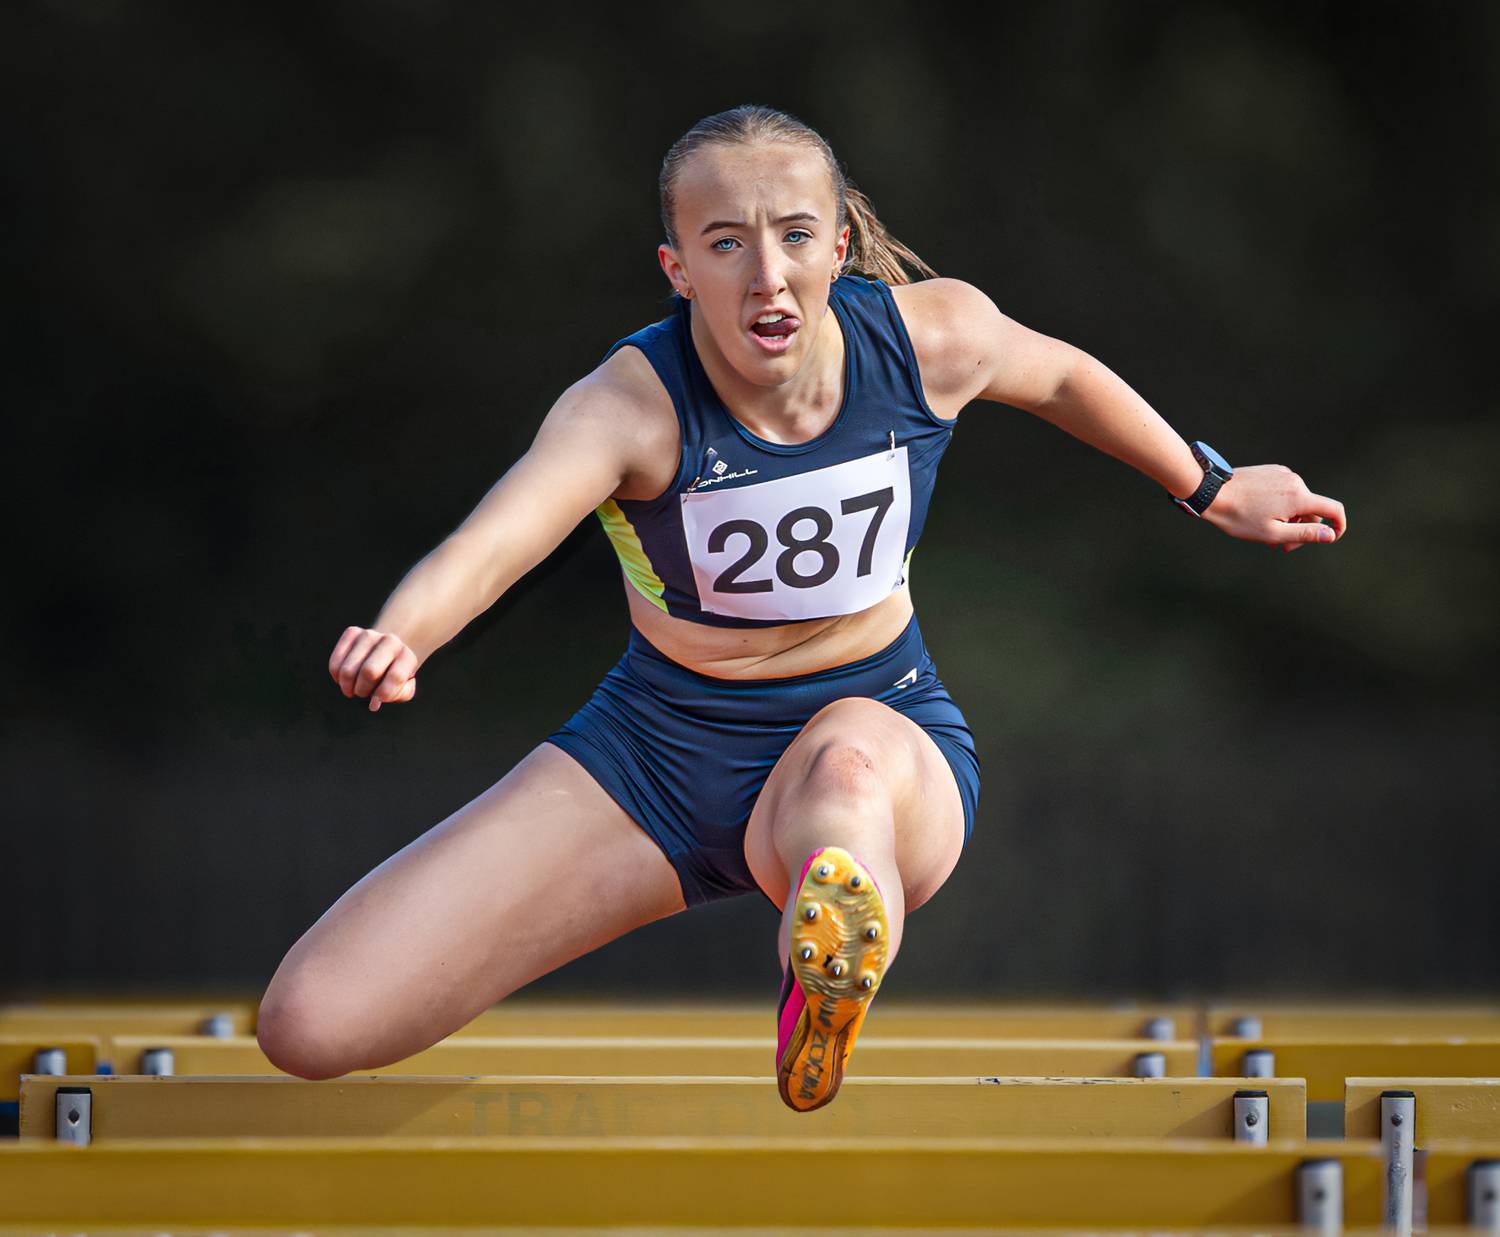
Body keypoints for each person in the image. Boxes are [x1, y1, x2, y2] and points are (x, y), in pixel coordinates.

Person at [256, 104, 1347, 1112]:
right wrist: (406, 631)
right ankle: (821, 929)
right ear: (676, 269)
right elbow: (495, 540)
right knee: (310, 1022)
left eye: (791, 237)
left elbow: (1060, 376)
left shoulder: (932, 339)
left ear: (837, 249)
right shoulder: (628, 407)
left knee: (844, 779)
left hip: (879, 720)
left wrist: (1208, 486)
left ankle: (821, 973)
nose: (765, 277)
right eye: (726, 243)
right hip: (655, 755)